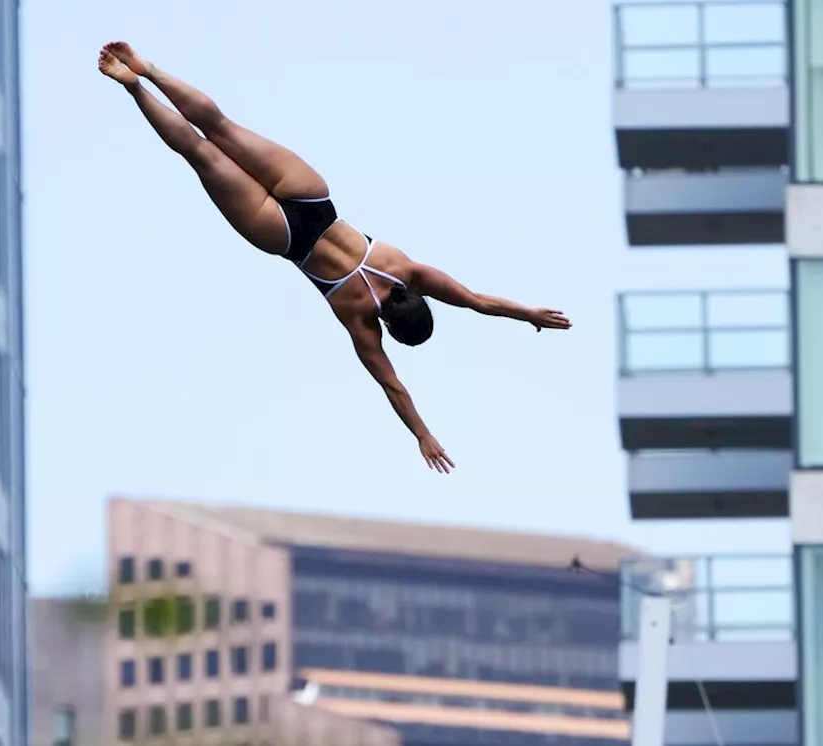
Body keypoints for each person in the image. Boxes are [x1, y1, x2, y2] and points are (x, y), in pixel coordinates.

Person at [98, 42, 573, 473]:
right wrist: (423, 435)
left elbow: (476, 300)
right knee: (201, 155)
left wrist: (529, 313)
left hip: (313, 201)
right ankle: (135, 87)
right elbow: (394, 387)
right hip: (283, 236)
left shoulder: (408, 271)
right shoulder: (362, 320)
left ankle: (151, 68)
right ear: (391, 326)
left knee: (220, 127)